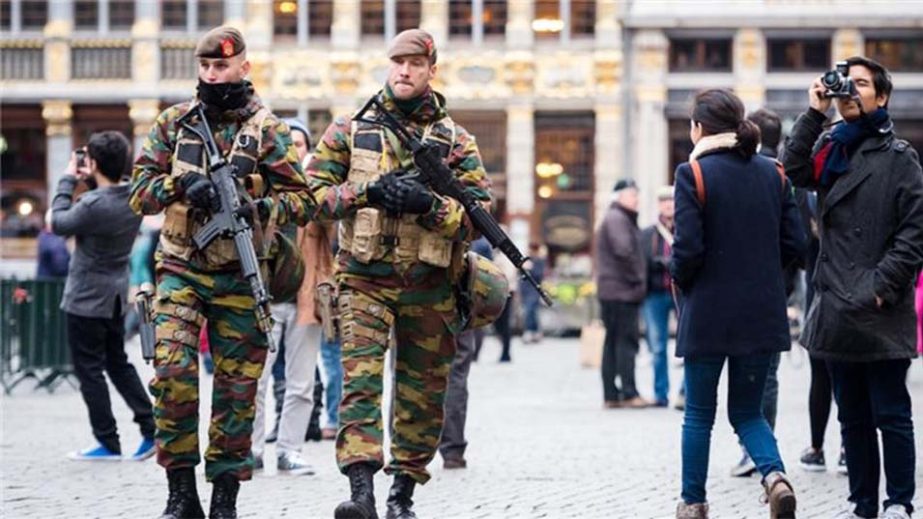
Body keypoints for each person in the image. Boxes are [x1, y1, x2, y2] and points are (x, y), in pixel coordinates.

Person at [130, 26, 315, 519]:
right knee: (172, 375)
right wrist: (182, 185)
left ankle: (225, 498)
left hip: (240, 273)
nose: (213, 75)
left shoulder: (268, 129)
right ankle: (180, 492)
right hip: (180, 268)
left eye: (222, 67)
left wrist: (253, 195)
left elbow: (302, 202)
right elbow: (139, 191)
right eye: (206, 67)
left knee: (237, 391)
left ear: (243, 68)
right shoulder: (175, 122)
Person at [306, 28, 491, 519]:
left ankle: (402, 495)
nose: (404, 71)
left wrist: (429, 205)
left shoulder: (456, 140)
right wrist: (363, 194)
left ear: (432, 69)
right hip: (364, 278)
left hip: (429, 285)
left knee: (422, 392)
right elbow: (309, 199)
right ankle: (361, 493)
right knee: (360, 384)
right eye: (397, 62)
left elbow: (478, 218)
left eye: (414, 63)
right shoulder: (351, 128)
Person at [781, 56, 923, 519]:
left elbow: (914, 232)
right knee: (852, 417)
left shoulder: (900, 158)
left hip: (879, 303)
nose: (852, 91)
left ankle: (899, 500)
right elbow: (791, 170)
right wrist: (814, 111)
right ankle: (863, 502)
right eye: (848, 83)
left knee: (891, 413)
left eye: (862, 84)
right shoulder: (829, 147)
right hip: (836, 303)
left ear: (881, 97)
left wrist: (882, 286)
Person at [671, 89, 805, 519]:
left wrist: (684, 280)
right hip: (761, 312)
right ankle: (775, 477)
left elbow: (687, 251)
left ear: (698, 127)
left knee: (698, 415)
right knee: (748, 412)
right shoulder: (774, 173)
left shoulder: (693, 173)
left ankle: (693, 502)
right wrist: (764, 278)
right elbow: (796, 244)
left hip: (709, 312)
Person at [52, 131, 156, 462]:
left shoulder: (94, 204)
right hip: (114, 295)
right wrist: (93, 180)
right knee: (118, 364)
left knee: (89, 370)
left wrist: (69, 180)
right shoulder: (132, 197)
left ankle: (107, 441)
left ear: (93, 162)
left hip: (85, 297)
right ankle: (151, 429)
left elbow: (56, 222)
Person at [251, 117, 332, 475]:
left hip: (307, 294)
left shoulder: (319, 187)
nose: (293, 151)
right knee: (254, 378)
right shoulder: (258, 185)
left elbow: (334, 221)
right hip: (264, 297)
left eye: (299, 144)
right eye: (287, 145)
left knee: (301, 381)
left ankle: (290, 450)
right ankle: (250, 450)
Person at [729, 107, 787, 477]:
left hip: (734, 290)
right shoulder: (782, 175)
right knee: (767, 375)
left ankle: (753, 450)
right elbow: (796, 238)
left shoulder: (738, 172)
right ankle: (764, 450)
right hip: (774, 289)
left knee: (736, 379)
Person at [596, 178, 649, 409]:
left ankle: (612, 394)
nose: (636, 199)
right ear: (619, 197)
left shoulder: (615, 217)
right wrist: (639, 278)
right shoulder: (618, 218)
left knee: (613, 342)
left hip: (614, 290)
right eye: (632, 195)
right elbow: (624, 251)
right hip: (622, 291)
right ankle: (628, 392)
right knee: (625, 343)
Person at [640, 186, 675, 408]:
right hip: (655, 293)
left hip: (682, 293)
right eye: (664, 202)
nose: (668, 205)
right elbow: (642, 261)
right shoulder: (648, 233)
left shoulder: (686, 228)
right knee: (658, 346)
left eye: (671, 201)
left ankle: (686, 393)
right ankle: (660, 393)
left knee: (690, 345)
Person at [520, 243, 546, 343]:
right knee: (530, 312)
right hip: (525, 290)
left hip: (534, 290)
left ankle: (530, 331)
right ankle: (535, 332)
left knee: (530, 310)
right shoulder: (527, 260)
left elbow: (539, 275)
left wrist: (530, 268)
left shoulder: (539, 261)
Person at [36, 209, 70, 280]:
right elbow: (60, 263)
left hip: (48, 282)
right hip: (51, 282)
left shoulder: (44, 236)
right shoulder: (54, 239)